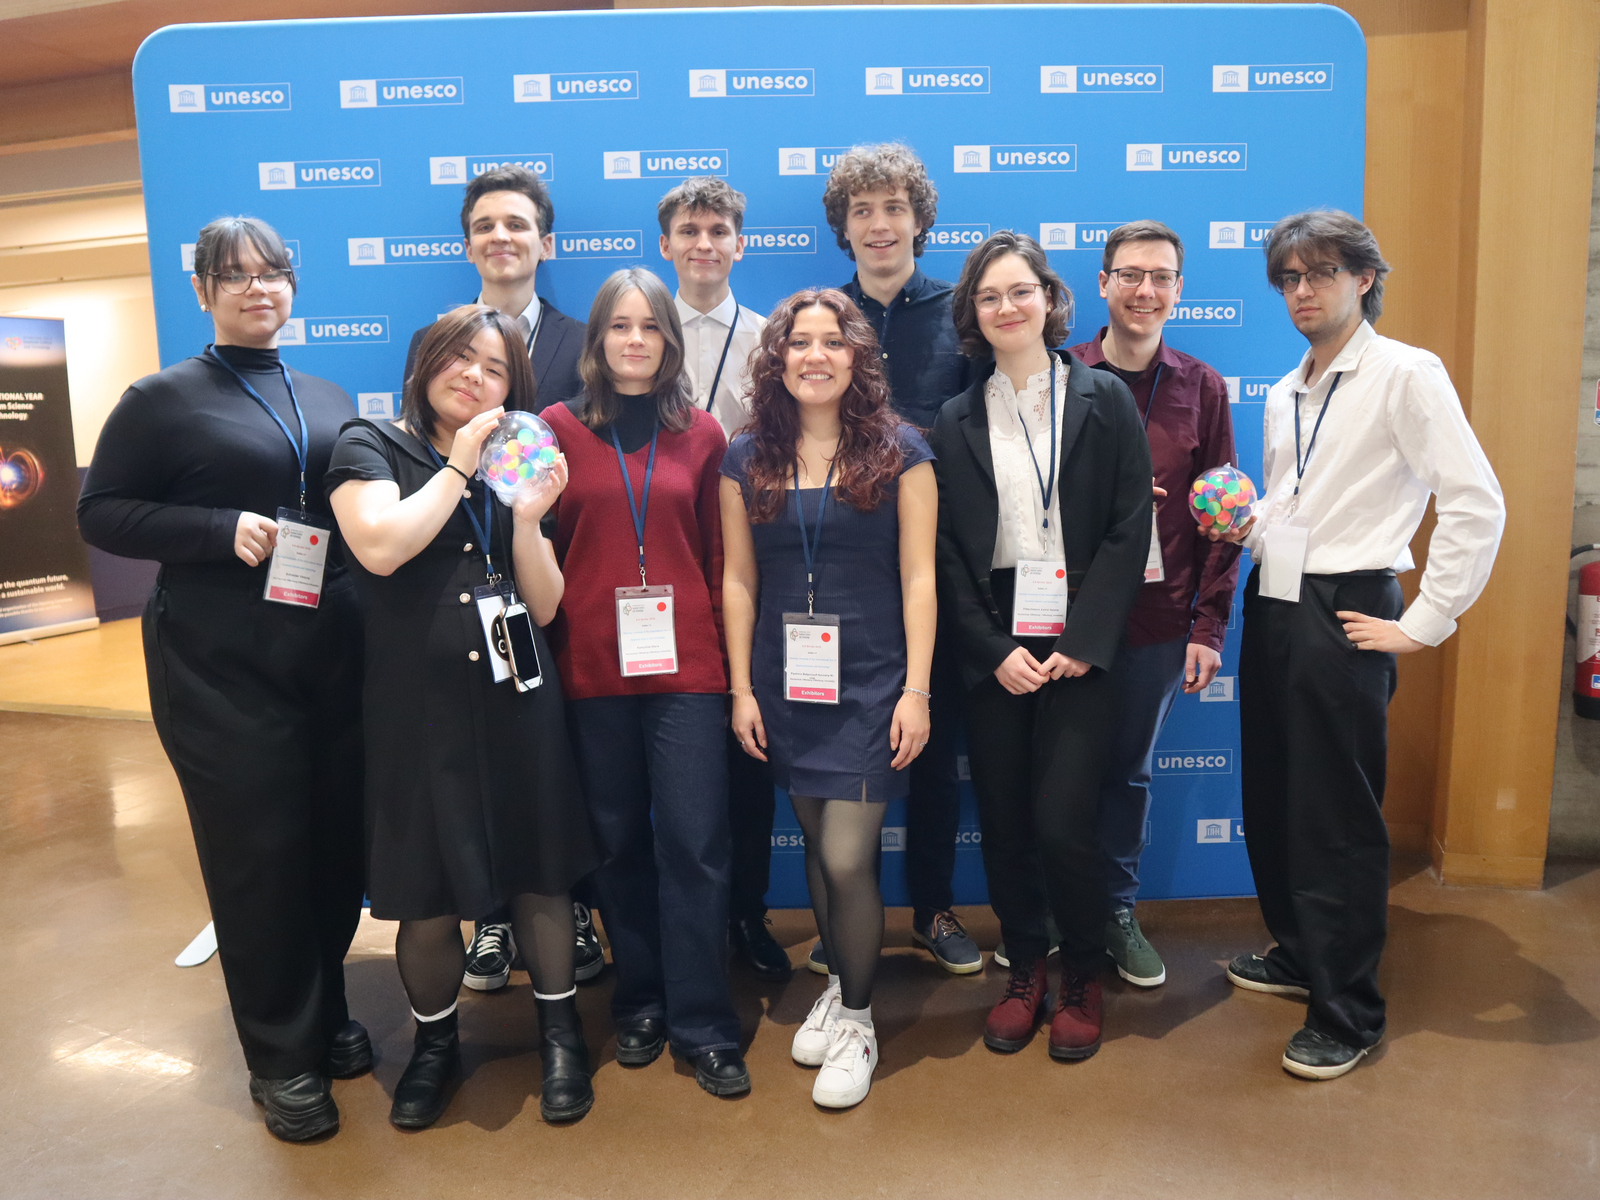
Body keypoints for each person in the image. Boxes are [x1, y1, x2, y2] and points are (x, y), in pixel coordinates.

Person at [77, 216, 368, 1142]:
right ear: (203, 292)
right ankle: (281, 1057)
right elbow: (103, 513)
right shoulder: (162, 397)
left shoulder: (323, 392)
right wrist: (214, 530)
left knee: (331, 845)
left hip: (327, 655)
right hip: (219, 665)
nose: (257, 289)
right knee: (260, 856)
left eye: (273, 273)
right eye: (233, 277)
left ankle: (322, 1017)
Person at [1210, 210, 1504, 1080]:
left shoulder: (1408, 374)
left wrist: (1423, 621)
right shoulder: (1286, 387)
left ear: (1364, 278)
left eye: (1321, 274)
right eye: (1290, 280)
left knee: (1336, 815)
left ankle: (1350, 1011)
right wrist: (1244, 518)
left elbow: (1475, 501)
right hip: (1276, 599)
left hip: (1349, 608)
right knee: (1272, 791)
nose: (1304, 291)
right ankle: (1301, 953)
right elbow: (1298, 506)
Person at [326, 305, 599, 1127]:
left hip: (519, 695)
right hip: (417, 704)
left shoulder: (516, 459)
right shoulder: (368, 442)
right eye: (457, 358)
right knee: (427, 888)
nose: (473, 376)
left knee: (542, 869)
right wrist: (457, 466)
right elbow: (380, 546)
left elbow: (545, 604)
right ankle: (436, 1046)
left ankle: (561, 1037)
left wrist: (524, 517)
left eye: (492, 367)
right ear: (423, 364)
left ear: (512, 385)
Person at [929, 231, 1152, 1061]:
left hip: (1081, 638)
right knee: (1009, 822)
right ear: (974, 315)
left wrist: (1087, 641)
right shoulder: (955, 418)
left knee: (1065, 820)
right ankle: (1025, 969)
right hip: (997, 642)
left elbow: (1132, 527)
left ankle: (1083, 976)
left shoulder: (1105, 399)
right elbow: (947, 549)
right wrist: (991, 649)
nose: (1007, 307)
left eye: (1020, 291)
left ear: (1049, 299)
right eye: (989, 297)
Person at [722, 289, 937, 1107]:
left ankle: (857, 1017)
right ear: (777, 360)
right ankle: (841, 986)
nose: (815, 356)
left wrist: (916, 687)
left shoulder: (904, 451)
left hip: (876, 682)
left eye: (831, 342)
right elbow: (739, 580)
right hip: (786, 681)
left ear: (857, 357)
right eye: (798, 343)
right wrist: (743, 687)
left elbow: (920, 577)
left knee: (849, 856)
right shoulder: (745, 457)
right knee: (816, 848)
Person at [541, 267, 750, 1096]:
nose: (635, 341)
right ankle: (641, 1000)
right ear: (596, 341)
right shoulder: (551, 430)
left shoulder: (703, 435)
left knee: (695, 845)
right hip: (590, 668)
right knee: (619, 844)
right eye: (619, 327)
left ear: (669, 341)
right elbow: (537, 551)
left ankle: (703, 1021)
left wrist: (734, 673)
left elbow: (720, 558)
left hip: (687, 671)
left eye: (650, 328)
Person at [400, 163, 602, 991]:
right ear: (469, 242)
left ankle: (572, 909)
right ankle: (488, 920)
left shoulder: (586, 339)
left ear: (543, 242)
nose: (501, 237)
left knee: (561, 763)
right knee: (480, 758)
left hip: (561, 570)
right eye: (485, 224)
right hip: (464, 585)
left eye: (517, 224)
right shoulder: (444, 346)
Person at [1055, 220, 1241, 988]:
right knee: (1059, 776)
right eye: (1129, 275)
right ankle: (1054, 920)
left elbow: (1224, 517)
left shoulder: (1204, 386)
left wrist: (1207, 626)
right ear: (1102, 284)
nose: (1144, 290)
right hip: (1061, 620)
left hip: (1159, 622)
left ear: (1179, 290)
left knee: (1127, 775)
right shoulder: (1059, 375)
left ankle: (1117, 912)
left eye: (1160, 277)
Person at [818, 141, 978, 974]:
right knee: (846, 747)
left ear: (920, 218)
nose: (879, 226)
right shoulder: (818, 323)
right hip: (840, 571)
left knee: (935, 741)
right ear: (844, 229)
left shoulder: (965, 314)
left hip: (941, 570)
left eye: (894, 208)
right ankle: (847, 918)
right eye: (862, 211)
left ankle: (934, 909)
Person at [657, 176, 787, 981]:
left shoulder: (772, 338)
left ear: (741, 244)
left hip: (749, 563)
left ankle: (747, 912)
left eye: (719, 231)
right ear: (665, 244)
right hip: (656, 560)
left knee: (749, 756)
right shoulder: (632, 327)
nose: (704, 244)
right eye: (689, 230)